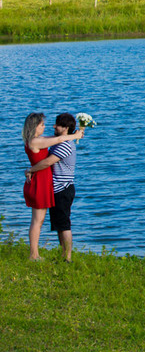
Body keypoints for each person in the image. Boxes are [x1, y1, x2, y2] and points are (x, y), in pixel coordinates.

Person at [22, 112, 84, 261]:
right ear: (34, 127)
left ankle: (59, 256)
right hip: (41, 182)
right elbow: (59, 140)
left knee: (45, 220)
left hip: (48, 183)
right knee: (38, 220)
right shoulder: (35, 141)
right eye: (42, 124)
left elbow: (59, 139)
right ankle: (34, 255)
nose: (47, 127)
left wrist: (75, 134)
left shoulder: (41, 140)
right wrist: (75, 136)